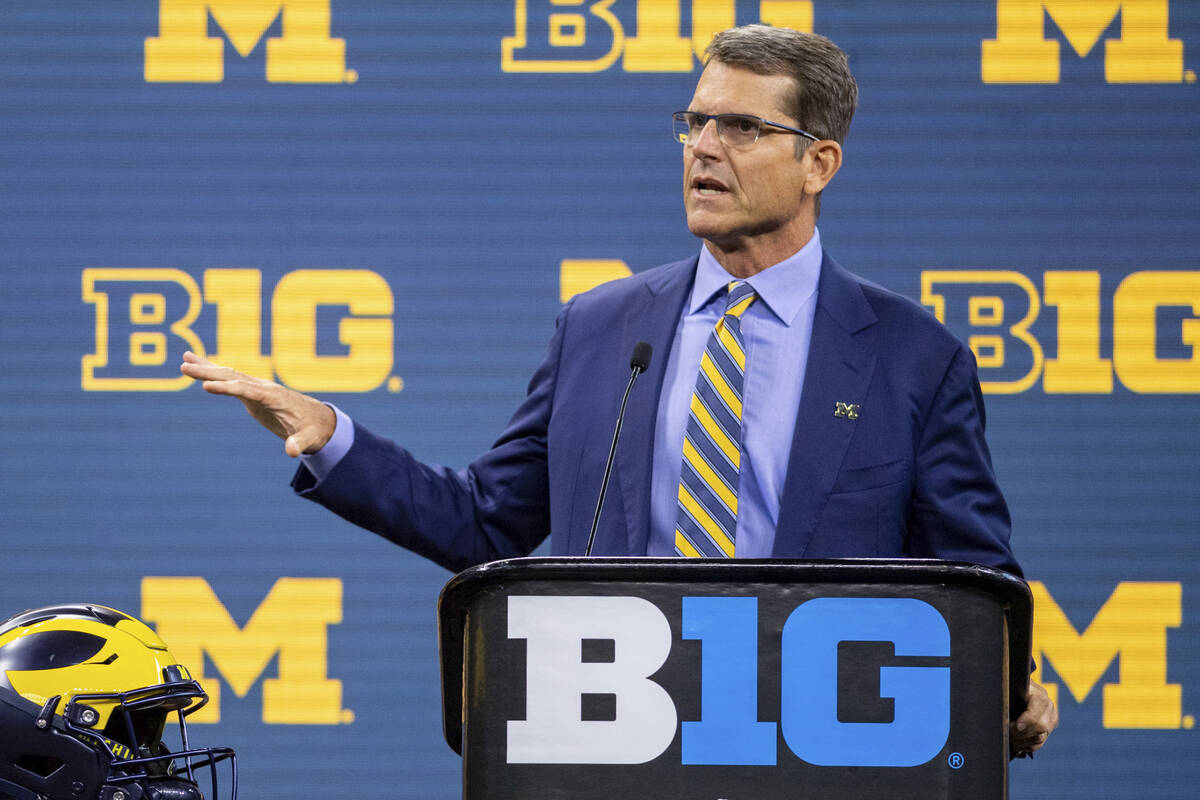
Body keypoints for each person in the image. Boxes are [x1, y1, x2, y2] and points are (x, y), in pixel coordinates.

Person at [181, 24, 1056, 755]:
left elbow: (970, 578)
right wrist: (331, 432)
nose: (705, 148)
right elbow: (490, 521)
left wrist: (1003, 682)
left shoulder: (912, 354)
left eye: (742, 129)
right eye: (695, 122)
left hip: (817, 752)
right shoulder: (600, 327)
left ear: (818, 162)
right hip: (616, 743)